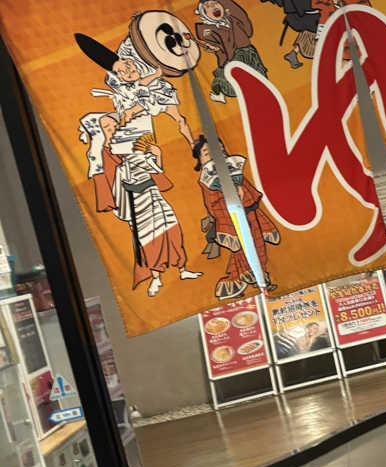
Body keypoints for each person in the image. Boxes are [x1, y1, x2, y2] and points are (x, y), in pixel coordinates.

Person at [78, 113, 202, 297]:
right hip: (133, 201)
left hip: (152, 193)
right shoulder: (104, 155)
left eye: (114, 125)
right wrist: (125, 169)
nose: (112, 129)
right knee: (148, 240)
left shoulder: (132, 145)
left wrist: (157, 156)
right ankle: (156, 277)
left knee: (172, 229)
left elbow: (155, 170)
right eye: (107, 127)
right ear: (100, 133)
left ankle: (182, 269)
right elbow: (110, 183)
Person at [193, 135, 281, 300]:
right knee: (243, 251)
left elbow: (251, 195)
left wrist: (240, 189)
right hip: (229, 219)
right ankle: (252, 280)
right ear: (200, 160)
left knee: (259, 247)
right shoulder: (207, 181)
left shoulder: (234, 172)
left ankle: (259, 279)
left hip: (250, 214)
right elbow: (213, 205)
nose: (214, 155)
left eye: (219, 150)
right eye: (206, 153)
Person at [75, 33, 195, 147]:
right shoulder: (116, 81)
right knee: (129, 114)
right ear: (118, 75)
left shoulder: (126, 52)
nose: (127, 71)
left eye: (128, 67)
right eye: (121, 72)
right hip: (140, 98)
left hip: (160, 92)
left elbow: (136, 36)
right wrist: (155, 75)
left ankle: (193, 144)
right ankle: (129, 144)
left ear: (128, 60)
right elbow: (139, 86)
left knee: (180, 119)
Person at [195, 0, 268, 103]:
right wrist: (216, 48)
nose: (213, 6)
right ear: (204, 13)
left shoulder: (233, 19)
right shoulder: (208, 31)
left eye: (215, 3)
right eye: (208, 6)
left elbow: (246, 26)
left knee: (261, 79)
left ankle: (223, 90)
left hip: (249, 51)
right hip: (234, 57)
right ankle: (221, 88)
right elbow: (220, 47)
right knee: (241, 84)